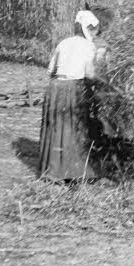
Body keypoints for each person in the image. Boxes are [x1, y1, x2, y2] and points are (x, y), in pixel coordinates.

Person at [38, 9, 100, 181]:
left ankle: (53, 170)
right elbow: (89, 74)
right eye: (93, 30)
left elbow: (51, 70)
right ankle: (73, 172)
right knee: (74, 127)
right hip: (74, 88)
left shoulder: (63, 43)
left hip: (55, 88)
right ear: (87, 29)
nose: (94, 34)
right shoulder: (89, 46)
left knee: (57, 127)